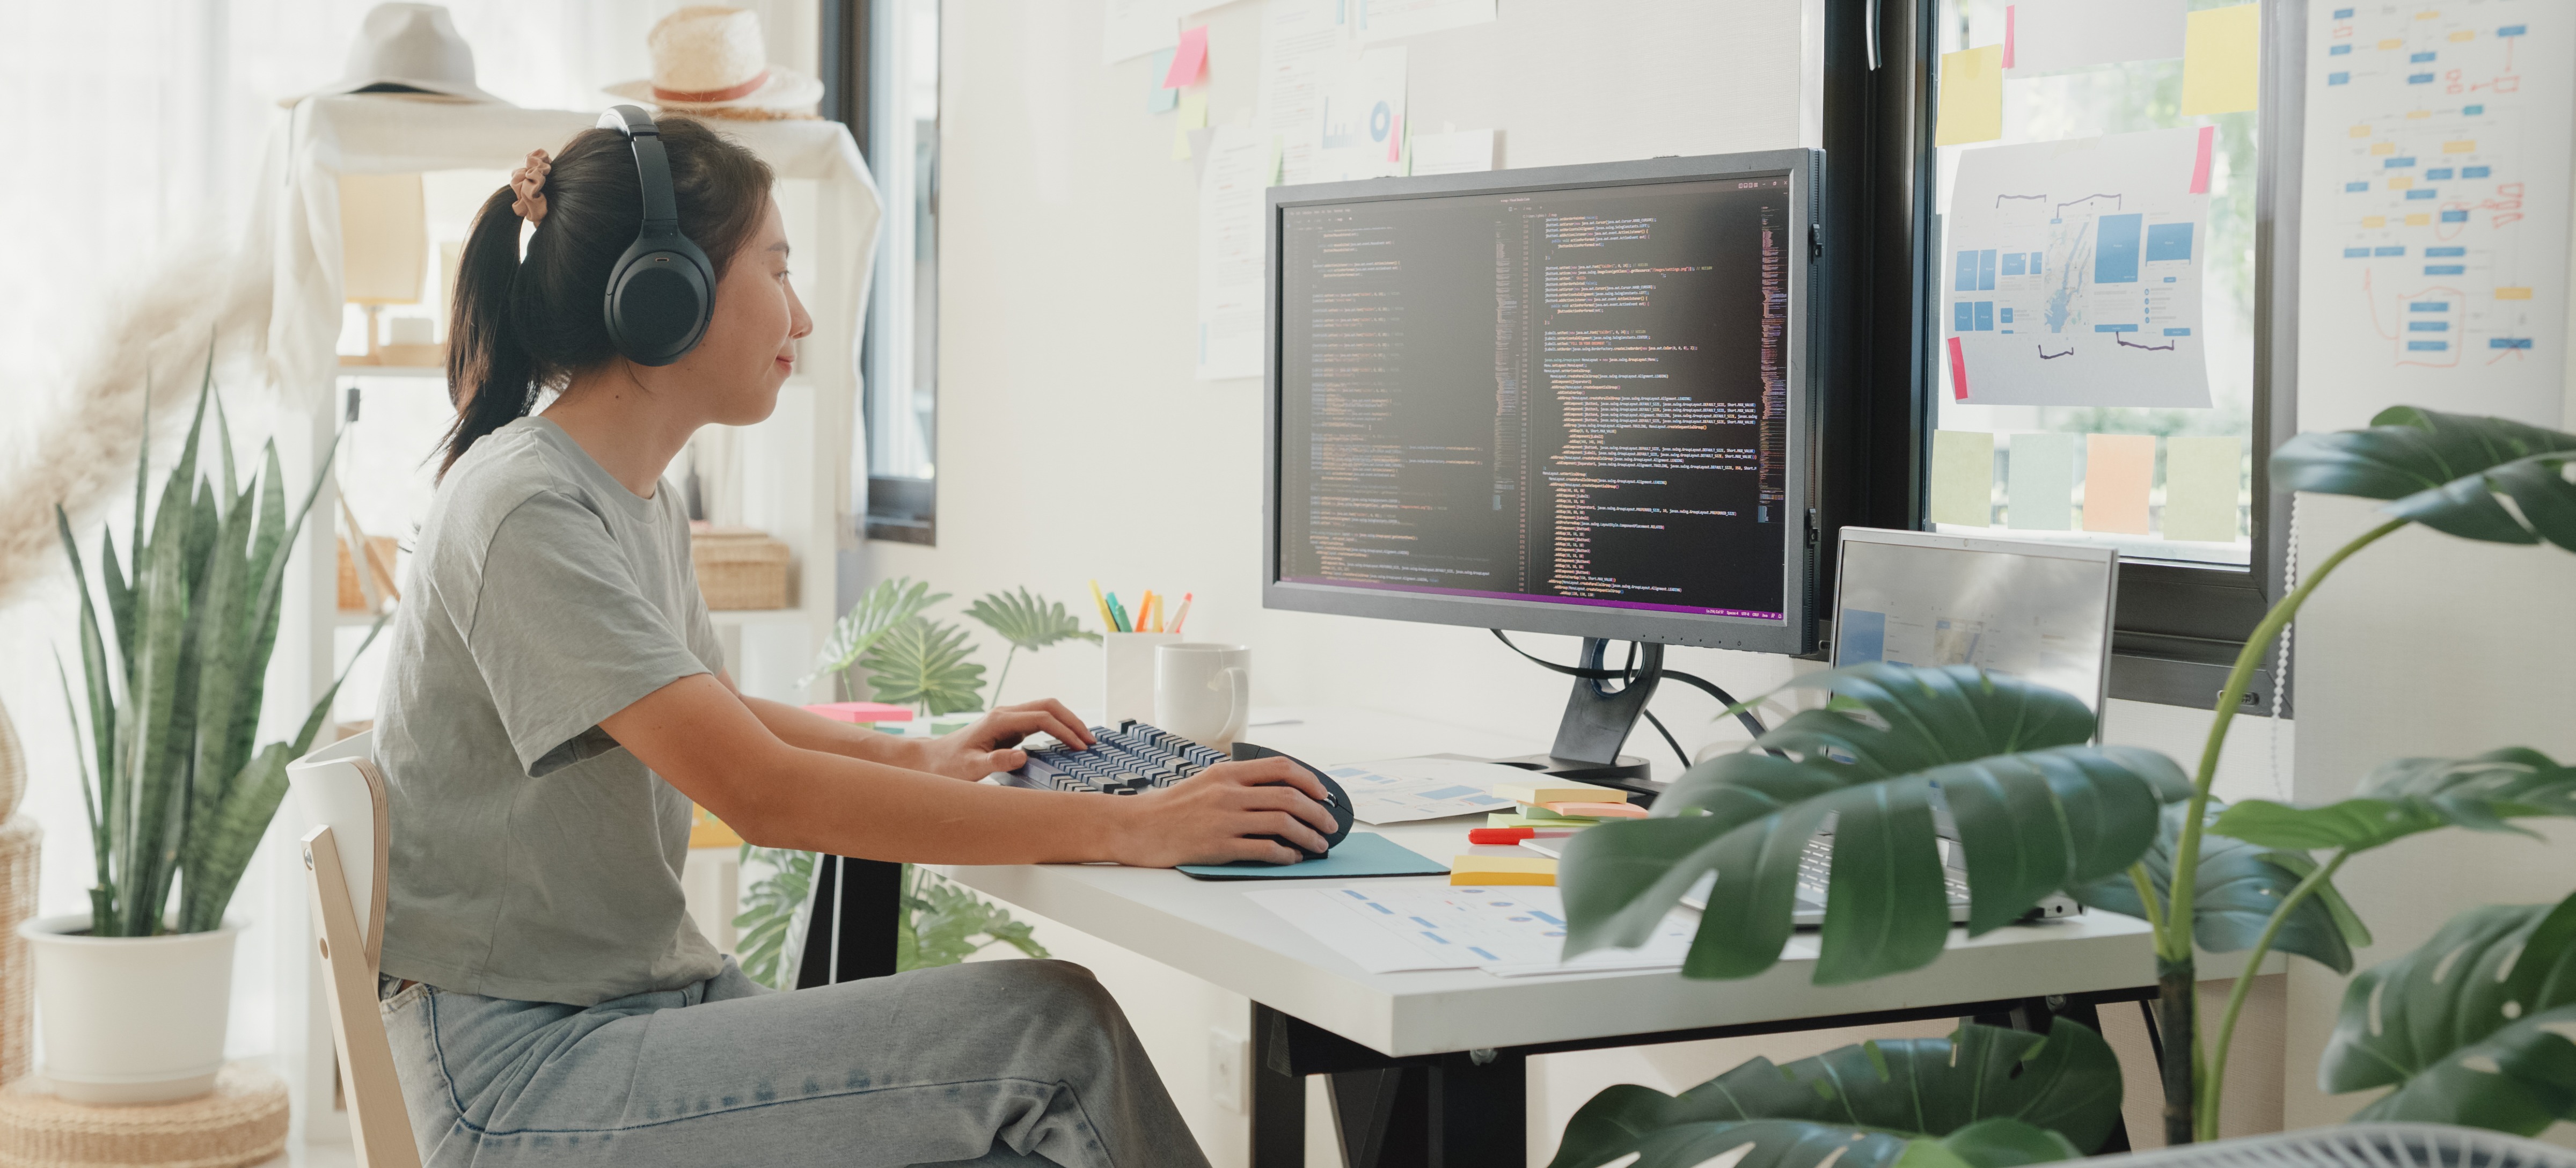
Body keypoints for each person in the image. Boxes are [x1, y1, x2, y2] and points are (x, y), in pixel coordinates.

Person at [372, 115, 1336, 1168]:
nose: (804, 316)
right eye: (777, 270)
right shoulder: (525, 512)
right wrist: (1126, 824)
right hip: (524, 1074)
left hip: (629, 1008)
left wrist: (912, 753)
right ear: (665, 295)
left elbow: (708, 711)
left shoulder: (625, 495)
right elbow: (762, 793)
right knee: (1056, 1034)